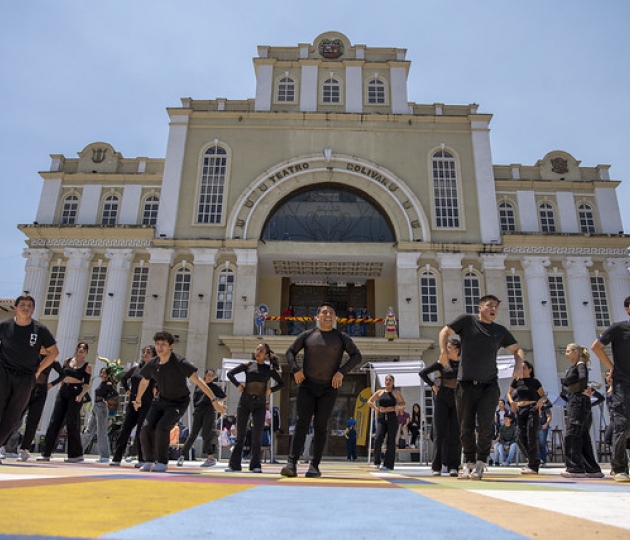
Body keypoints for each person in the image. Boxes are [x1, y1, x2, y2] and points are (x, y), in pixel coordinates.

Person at [439, 294, 524, 480]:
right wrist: (444, 353)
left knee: (486, 424)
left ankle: (481, 462)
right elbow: (444, 332)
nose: (493, 309)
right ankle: (468, 462)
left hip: (489, 385)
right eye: (489, 305)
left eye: (496, 306)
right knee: (465, 425)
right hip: (466, 384)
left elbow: (516, 348)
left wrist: (518, 362)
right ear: (480, 308)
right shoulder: (467, 322)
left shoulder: (499, 331)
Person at [281, 302, 362, 478]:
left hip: (329, 387)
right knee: (302, 423)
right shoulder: (308, 335)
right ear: (317, 317)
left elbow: (357, 356)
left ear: (335, 318)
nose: (327, 315)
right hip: (307, 385)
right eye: (324, 312)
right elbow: (289, 352)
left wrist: (342, 372)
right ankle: (291, 463)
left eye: (331, 313)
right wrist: (295, 370)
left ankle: (314, 466)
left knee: (321, 426)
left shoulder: (341, 337)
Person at [133, 331, 223, 473]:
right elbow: (144, 381)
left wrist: (214, 400)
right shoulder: (153, 363)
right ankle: (149, 460)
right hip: (160, 400)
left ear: (171, 346)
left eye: (163, 344)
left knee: (162, 427)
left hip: (178, 402)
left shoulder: (180, 363)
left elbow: (199, 381)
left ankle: (162, 462)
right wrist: (138, 400)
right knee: (145, 428)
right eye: (157, 344)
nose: (159, 347)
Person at [0, 295, 58, 462]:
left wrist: (39, 370)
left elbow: (54, 352)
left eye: (29, 305)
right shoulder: (4, 326)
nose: (26, 307)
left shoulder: (40, 329)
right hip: (3, 372)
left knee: (14, 414)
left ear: (33, 309)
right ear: (16, 308)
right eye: (22, 305)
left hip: (26, 377)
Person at [225, 343, 284, 473]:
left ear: (266, 355)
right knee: (240, 434)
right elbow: (230, 374)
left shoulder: (269, 369)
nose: (258, 352)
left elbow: (281, 383)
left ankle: (255, 465)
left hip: (260, 404)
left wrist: (270, 390)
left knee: (257, 435)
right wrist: (238, 385)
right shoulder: (247, 365)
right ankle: (234, 464)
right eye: (257, 349)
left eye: (261, 350)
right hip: (245, 402)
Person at [591, 296, 630, 482]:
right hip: (623, 384)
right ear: (627, 309)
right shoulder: (618, 328)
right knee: (622, 424)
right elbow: (596, 347)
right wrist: (611, 366)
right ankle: (619, 467)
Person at [39, 342, 91, 463]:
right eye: (80, 347)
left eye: (84, 349)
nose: (81, 350)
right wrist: (58, 391)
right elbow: (62, 377)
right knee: (55, 421)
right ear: (76, 349)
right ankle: (46, 452)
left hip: (76, 392)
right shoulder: (67, 361)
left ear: (86, 352)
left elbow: (86, 385)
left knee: (72, 423)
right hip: (64, 391)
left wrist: (80, 396)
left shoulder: (87, 366)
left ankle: (75, 455)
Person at [9, 353, 64, 461]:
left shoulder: (52, 360)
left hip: (41, 390)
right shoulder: (32, 356)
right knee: (17, 417)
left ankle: (25, 449)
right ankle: (6, 446)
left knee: (33, 420)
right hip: (28, 388)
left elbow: (62, 374)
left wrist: (51, 384)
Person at [419, 337, 461, 476]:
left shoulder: (463, 364)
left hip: (456, 399)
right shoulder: (442, 363)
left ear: (457, 349)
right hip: (442, 397)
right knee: (439, 433)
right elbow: (423, 373)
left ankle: (454, 466)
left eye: (449, 347)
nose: (446, 350)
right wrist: (432, 386)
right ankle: (436, 466)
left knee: (455, 434)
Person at [560, 343, 603, 478]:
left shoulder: (580, 364)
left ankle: (575, 467)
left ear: (575, 352)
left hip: (579, 401)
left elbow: (583, 378)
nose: (566, 354)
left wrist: (581, 389)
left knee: (573, 434)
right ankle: (592, 468)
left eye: (568, 351)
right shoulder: (574, 367)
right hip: (575, 401)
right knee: (582, 435)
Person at [110, 345, 156, 467]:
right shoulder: (136, 368)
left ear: (153, 356)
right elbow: (124, 379)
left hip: (146, 404)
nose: (145, 354)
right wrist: (127, 390)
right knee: (125, 429)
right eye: (144, 352)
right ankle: (117, 458)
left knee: (141, 431)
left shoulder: (154, 369)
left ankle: (142, 459)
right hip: (132, 403)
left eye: (148, 352)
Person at [177, 368, 227, 467]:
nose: (210, 377)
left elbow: (224, 397)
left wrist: (216, 402)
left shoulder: (214, 387)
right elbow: (195, 398)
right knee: (192, 434)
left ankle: (210, 457)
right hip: (198, 411)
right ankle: (182, 456)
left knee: (206, 434)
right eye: (208, 375)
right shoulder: (199, 385)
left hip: (209, 411)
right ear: (205, 375)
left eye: (212, 376)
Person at [507, 360, 547, 474]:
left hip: (532, 409)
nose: (521, 370)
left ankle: (533, 465)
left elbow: (544, 396)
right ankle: (532, 460)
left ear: (530, 369)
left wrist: (540, 401)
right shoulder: (517, 381)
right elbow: (509, 393)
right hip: (520, 410)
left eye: (524, 368)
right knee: (520, 437)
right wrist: (511, 402)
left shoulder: (535, 382)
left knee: (531, 436)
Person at [368, 374, 405, 471]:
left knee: (391, 441)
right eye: (386, 380)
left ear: (393, 382)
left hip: (392, 417)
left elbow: (403, 403)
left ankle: (388, 464)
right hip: (381, 417)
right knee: (378, 438)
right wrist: (376, 408)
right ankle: (377, 462)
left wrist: (398, 407)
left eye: (390, 380)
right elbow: (369, 401)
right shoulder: (380, 392)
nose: (387, 382)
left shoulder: (396, 393)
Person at [82, 366, 118, 463]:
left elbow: (115, 394)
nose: (102, 374)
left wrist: (106, 399)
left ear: (107, 375)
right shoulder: (101, 384)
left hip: (101, 407)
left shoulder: (108, 384)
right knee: (89, 430)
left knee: (101, 431)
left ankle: (105, 455)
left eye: (104, 373)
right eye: (101, 372)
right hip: (96, 406)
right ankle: (79, 451)